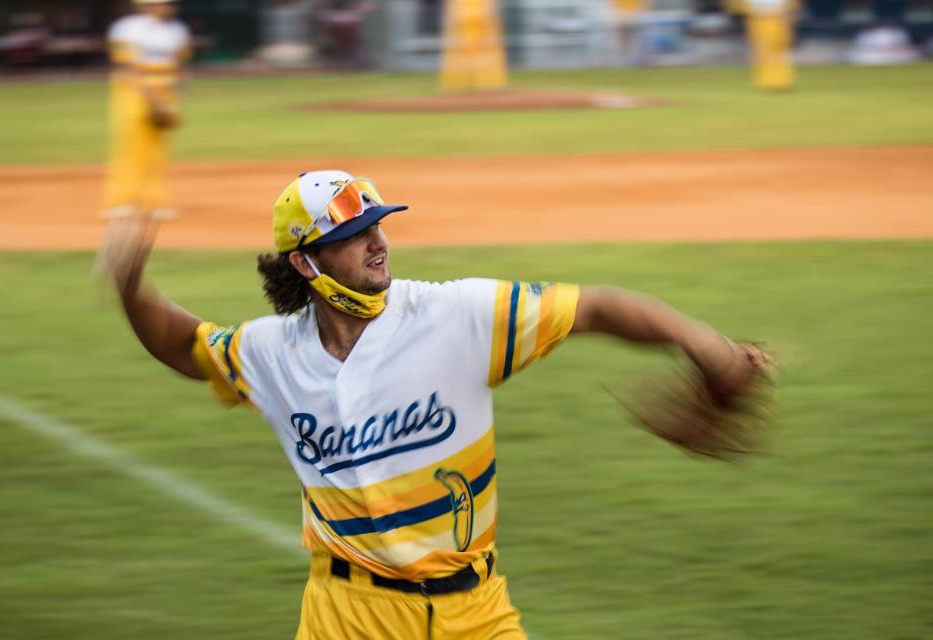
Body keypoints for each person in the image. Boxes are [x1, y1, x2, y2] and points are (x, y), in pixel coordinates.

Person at [97, 170, 768, 639]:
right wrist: (131, 290)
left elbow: (595, 307)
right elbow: (189, 347)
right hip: (346, 619)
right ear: (306, 263)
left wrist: (705, 346)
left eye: (378, 224)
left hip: (476, 613)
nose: (379, 240)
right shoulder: (273, 354)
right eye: (356, 233)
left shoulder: (457, 315)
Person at [102, 0, 191, 220]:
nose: (168, 7)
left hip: (165, 95)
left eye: (170, 3)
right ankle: (121, 202)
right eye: (162, 3)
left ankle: (154, 203)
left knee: (157, 150)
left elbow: (179, 65)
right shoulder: (127, 28)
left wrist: (171, 100)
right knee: (130, 148)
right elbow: (126, 66)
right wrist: (150, 96)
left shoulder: (178, 31)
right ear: (146, 5)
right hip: (132, 95)